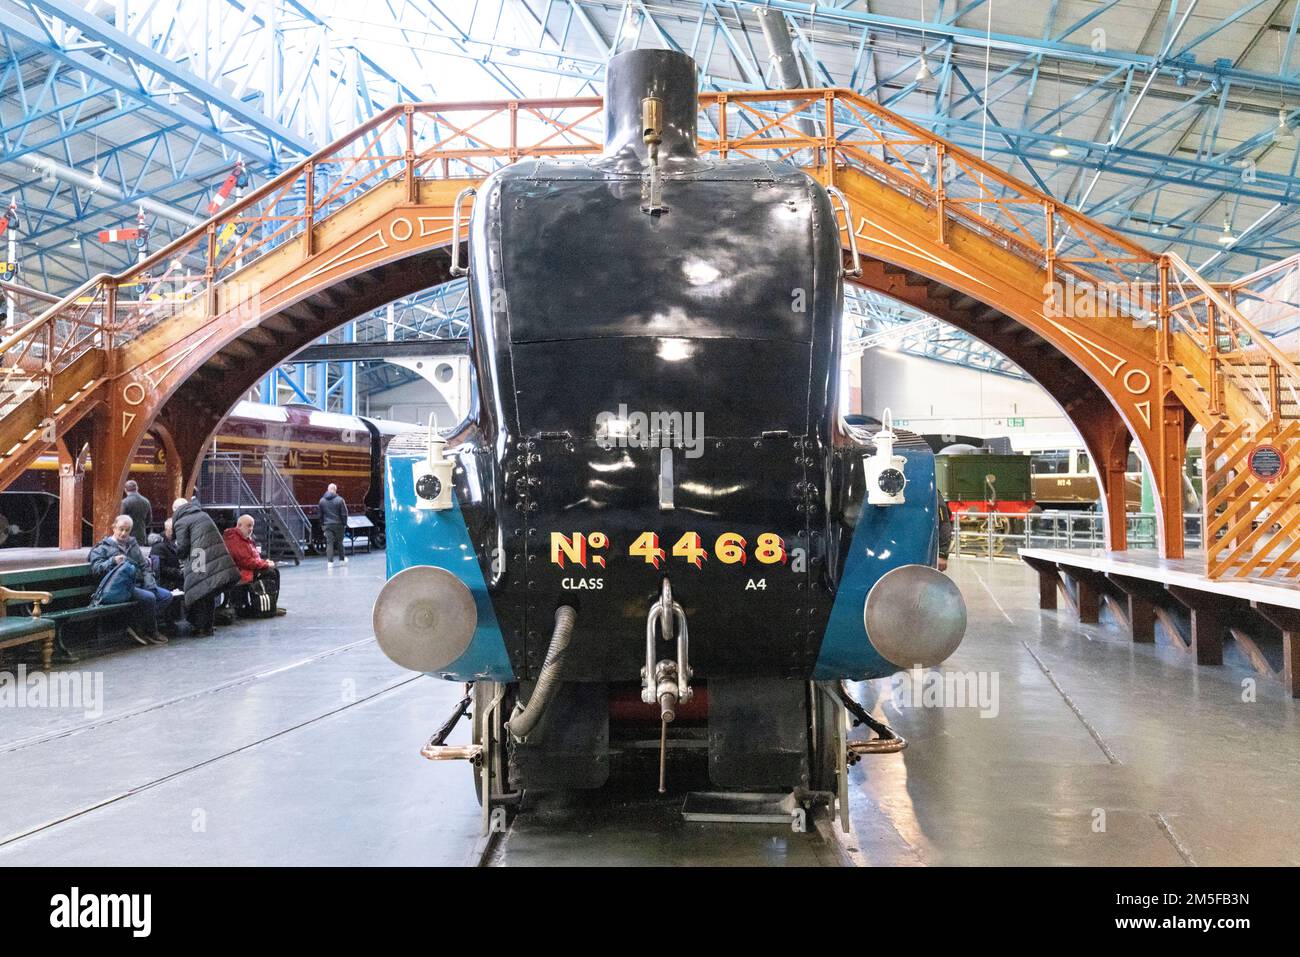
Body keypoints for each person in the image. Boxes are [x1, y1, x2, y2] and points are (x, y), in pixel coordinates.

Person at [88, 515, 173, 645]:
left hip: (138, 583)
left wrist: (150, 583)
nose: (123, 533)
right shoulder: (102, 547)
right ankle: (150, 630)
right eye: (121, 529)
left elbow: (144, 566)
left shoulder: (132, 544)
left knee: (166, 596)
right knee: (149, 597)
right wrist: (112, 561)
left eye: (127, 530)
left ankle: (136, 624)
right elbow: (96, 569)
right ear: (114, 527)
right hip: (120, 586)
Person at [172, 498, 241, 637]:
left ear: (176, 510)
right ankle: (208, 626)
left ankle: (200, 628)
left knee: (199, 593)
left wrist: (176, 551)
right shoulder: (203, 515)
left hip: (199, 559)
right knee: (208, 593)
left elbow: (183, 547)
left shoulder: (181, 521)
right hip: (212, 557)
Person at [223, 514, 286, 617]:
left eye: (252, 526)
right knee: (271, 573)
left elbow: (252, 558)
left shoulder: (243, 537)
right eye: (248, 525)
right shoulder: (235, 539)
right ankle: (269, 606)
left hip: (246, 569)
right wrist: (265, 564)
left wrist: (265, 563)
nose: (251, 529)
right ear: (239, 525)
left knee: (273, 571)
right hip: (240, 572)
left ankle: (271, 605)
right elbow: (245, 561)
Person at [318, 483, 349, 568]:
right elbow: (344, 514)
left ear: (328, 489)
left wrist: (322, 525)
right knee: (340, 543)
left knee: (329, 543)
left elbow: (320, 515)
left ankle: (330, 563)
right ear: (335, 490)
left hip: (327, 525)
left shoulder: (322, 501)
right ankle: (342, 560)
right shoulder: (340, 500)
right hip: (339, 525)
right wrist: (344, 524)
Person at [149, 518, 184, 590]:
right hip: (168, 583)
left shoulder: (174, 542)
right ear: (166, 529)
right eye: (173, 530)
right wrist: (180, 572)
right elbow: (159, 569)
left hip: (176, 580)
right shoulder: (158, 546)